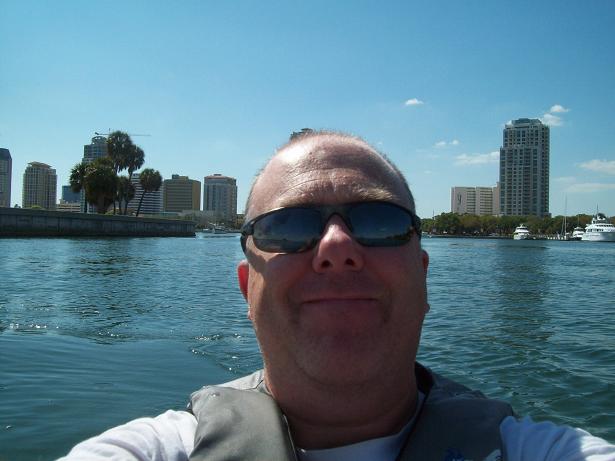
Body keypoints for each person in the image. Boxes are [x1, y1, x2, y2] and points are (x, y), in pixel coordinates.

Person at [60, 131, 614, 460]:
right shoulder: (156, 451)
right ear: (247, 288)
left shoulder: (540, 451)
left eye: (379, 221)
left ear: (423, 279)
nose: (337, 247)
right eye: (288, 226)